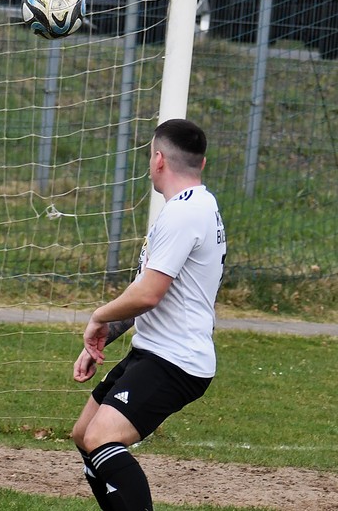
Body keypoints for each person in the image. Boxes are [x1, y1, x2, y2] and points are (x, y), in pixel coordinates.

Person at [71, 119, 226, 510]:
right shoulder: (195, 205)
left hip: (176, 359)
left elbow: (148, 295)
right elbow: (149, 290)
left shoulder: (184, 213)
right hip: (154, 351)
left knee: (102, 438)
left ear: (158, 160)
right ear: (202, 163)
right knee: (85, 434)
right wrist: (108, 332)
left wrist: (98, 316)